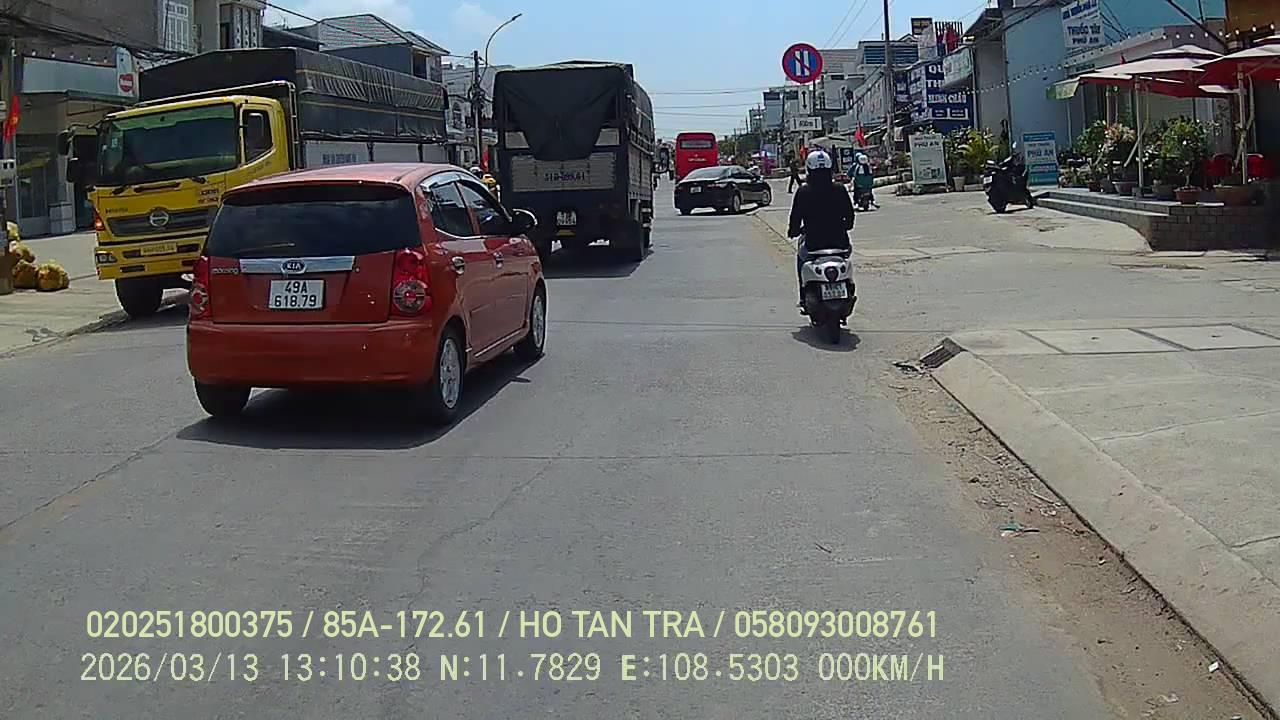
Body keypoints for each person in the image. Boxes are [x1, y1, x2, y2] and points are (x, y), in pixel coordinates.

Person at [788, 149, 854, 309]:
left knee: (801, 259)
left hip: (813, 244)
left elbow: (795, 217)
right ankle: (848, 287)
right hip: (840, 243)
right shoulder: (839, 189)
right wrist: (846, 226)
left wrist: (793, 231)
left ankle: (803, 296)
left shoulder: (803, 191)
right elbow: (850, 215)